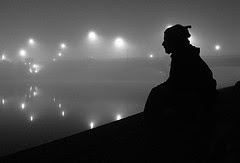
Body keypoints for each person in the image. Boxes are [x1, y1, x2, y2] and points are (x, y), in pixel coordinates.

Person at [144, 24, 217, 162]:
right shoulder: (187, 55)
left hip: (199, 106)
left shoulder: (183, 58)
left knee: (155, 94)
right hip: (202, 102)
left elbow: (174, 85)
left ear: (175, 42)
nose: (163, 43)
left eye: (166, 40)